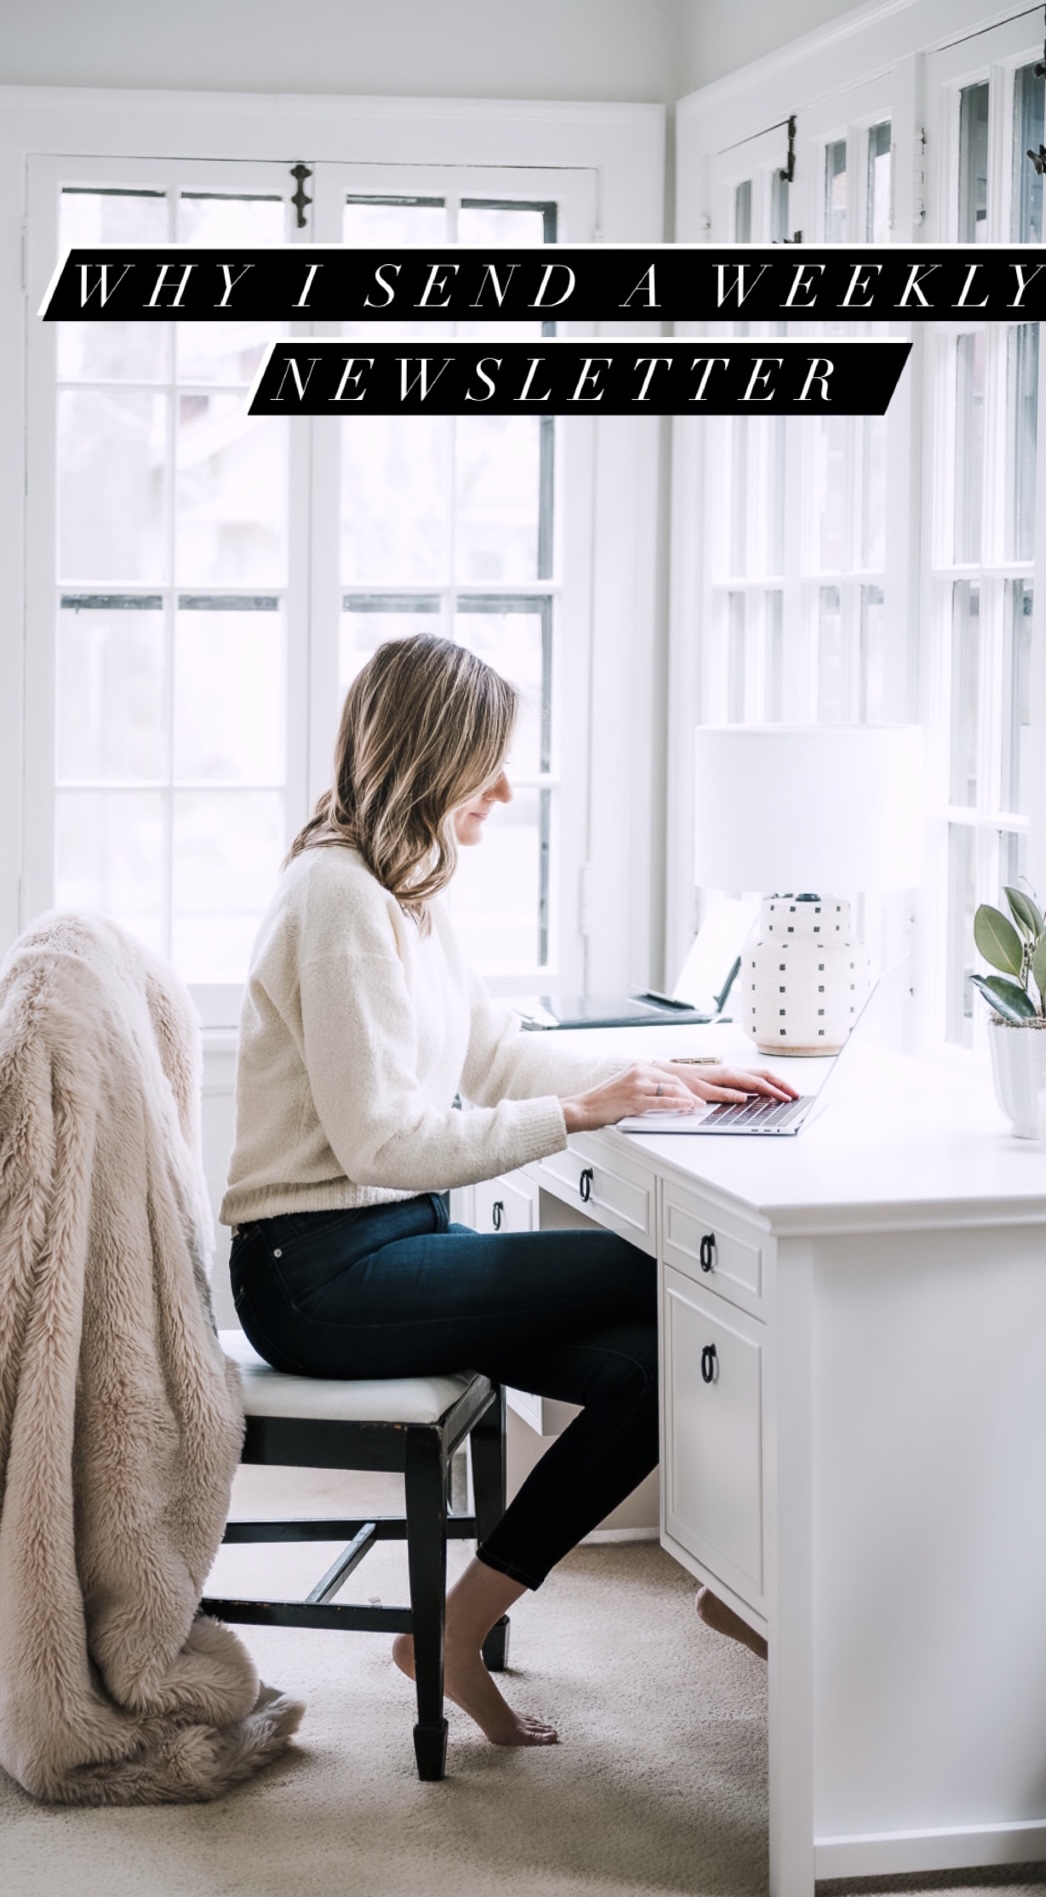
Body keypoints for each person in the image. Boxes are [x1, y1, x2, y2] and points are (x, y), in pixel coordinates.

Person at [220, 632, 795, 1748]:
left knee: (651, 1363)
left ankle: (453, 1626)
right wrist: (581, 1112)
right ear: (430, 757)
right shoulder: (337, 899)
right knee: (661, 1277)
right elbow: (380, 1137)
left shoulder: (406, 891)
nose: (506, 786)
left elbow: (492, 1054)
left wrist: (667, 1080)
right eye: (486, 760)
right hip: (317, 1271)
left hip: (385, 1249)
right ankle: (744, 1582)